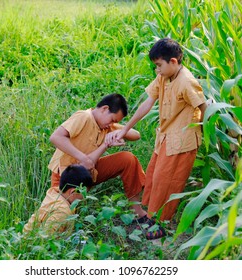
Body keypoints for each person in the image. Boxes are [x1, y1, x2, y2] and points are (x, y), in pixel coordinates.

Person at [112, 38, 207, 240]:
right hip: (166, 137)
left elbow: (203, 106)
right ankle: (154, 217)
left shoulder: (187, 82)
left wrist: (204, 132)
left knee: (169, 182)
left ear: (173, 61)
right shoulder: (164, 77)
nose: (157, 70)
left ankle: (162, 224)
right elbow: (147, 103)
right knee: (156, 178)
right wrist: (126, 129)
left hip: (182, 141)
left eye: (159, 65)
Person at [48, 93, 147, 220]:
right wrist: (84, 159)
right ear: (104, 109)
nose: (111, 124)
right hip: (67, 174)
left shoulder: (106, 125)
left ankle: (137, 211)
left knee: (128, 159)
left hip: (90, 170)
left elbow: (136, 135)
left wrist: (119, 131)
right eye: (112, 120)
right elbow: (56, 137)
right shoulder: (84, 117)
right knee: (63, 215)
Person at [23, 164, 93, 235]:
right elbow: (46, 239)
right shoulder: (61, 212)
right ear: (73, 192)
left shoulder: (54, 193)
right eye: (84, 193)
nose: (85, 197)